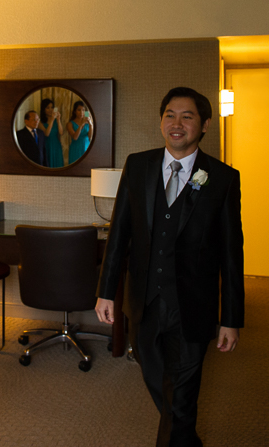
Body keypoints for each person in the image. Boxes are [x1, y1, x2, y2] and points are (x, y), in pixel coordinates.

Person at [95, 87, 244, 447]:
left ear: (205, 124)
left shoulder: (222, 178)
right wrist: (105, 292)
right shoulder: (138, 165)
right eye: (170, 115)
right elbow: (120, 234)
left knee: (181, 392)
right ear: (161, 121)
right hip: (143, 302)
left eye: (187, 116)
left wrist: (231, 317)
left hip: (193, 306)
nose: (177, 124)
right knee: (164, 386)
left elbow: (231, 251)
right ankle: (186, 439)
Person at [38, 98, 65, 168]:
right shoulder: (40, 122)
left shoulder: (56, 120)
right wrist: (52, 119)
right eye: (48, 108)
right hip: (47, 145)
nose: (50, 110)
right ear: (43, 109)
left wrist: (58, 120)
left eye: (52, 107)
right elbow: (47, 134)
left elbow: (61, 133)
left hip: (56, 145)